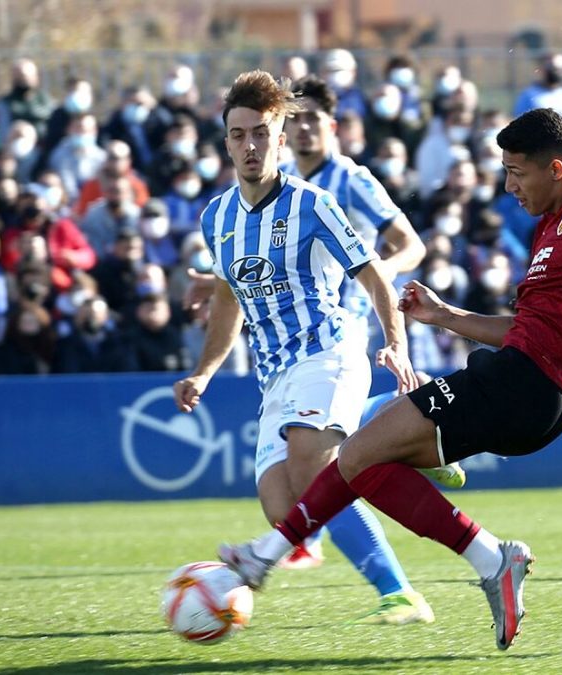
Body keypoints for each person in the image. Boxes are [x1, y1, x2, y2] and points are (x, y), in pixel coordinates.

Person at [215, 107, 562, 650]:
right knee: (366, 463)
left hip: (528, 385)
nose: (510, 186)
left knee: (356, 453)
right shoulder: (552, 227)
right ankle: (487, 557)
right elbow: (527, 327)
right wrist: (448, 318)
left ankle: (267, 558)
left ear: (558, 168)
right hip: (527, 383)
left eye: (518, 173)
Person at [171, 70, 434, 626]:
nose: (249, 145)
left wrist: (395, 344)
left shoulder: (316, 201)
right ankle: (394, 429)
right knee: (287, 514)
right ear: (225, 142)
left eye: (260, 134)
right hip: (275, 376)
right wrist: (204, 373)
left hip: (328, 351)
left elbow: (375, 274)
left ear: (279, 139)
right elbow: (227, 299)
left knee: (319, 473)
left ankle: (400, 594)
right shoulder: (215, 216)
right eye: (238, 134)